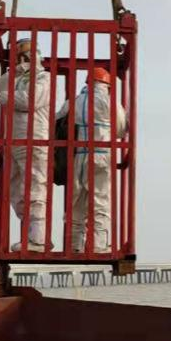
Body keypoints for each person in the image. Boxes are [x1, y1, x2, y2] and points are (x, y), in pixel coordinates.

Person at [0, 36, 51, 250]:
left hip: (34, 138)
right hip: (15, 140)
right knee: (16, 190)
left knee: (35, 186)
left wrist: (1, 96)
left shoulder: (43, 78)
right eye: (19, 55)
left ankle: (38, 239)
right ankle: (31, 235)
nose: (21, 60)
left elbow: (30, 100)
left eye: (24, 54)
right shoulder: (14, 77)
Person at [58, 66, 128, 253]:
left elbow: (57, 123)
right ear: (106, 84)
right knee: (100, 201)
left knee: (76, 202)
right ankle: (99, 245)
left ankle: (74, 247)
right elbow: (121, 130)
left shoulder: (74, 101)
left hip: (79, 156)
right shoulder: (111, 102)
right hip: (102, 155)